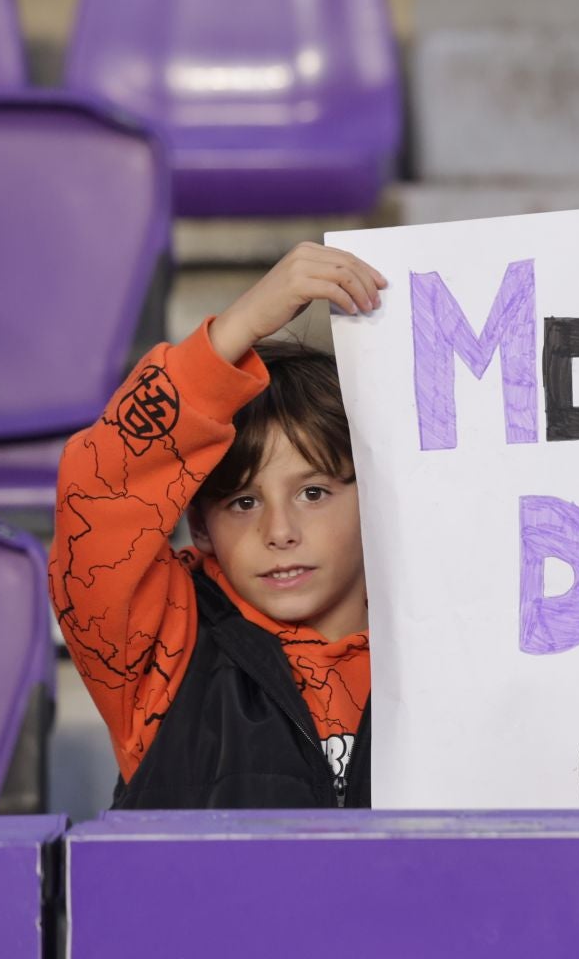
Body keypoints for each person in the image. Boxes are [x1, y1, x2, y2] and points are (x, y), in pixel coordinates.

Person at [51, 242, 387, 809]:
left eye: (313, 492)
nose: (280, 532)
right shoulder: (163, 648)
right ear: (200, 527)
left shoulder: (444, 643)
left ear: (375, 499)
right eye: (243, 503)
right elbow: (97, 491)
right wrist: (243, 324)